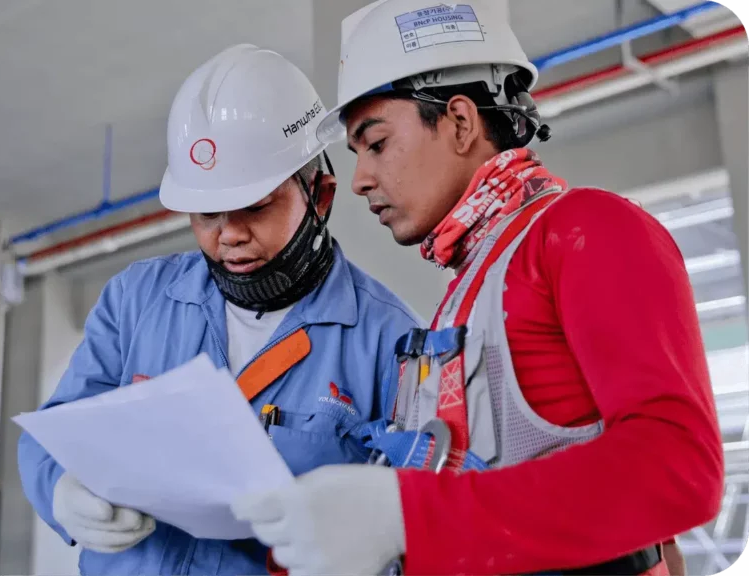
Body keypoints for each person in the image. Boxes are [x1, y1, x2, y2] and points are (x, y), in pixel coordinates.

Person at [231, 2, 725, 575]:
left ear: (461, 122)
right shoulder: (465, 296)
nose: (361, 178)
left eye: (376, 143)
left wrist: (408, 517)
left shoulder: (586, 230)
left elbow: (677, 469)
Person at [18, 43, 422, 576]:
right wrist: (62, 491)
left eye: (256, 207)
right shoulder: (135, 302)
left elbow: (415, 518)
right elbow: (54, 431)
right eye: (207, 212)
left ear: (320, 197)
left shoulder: (391, 342)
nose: (229, 235)